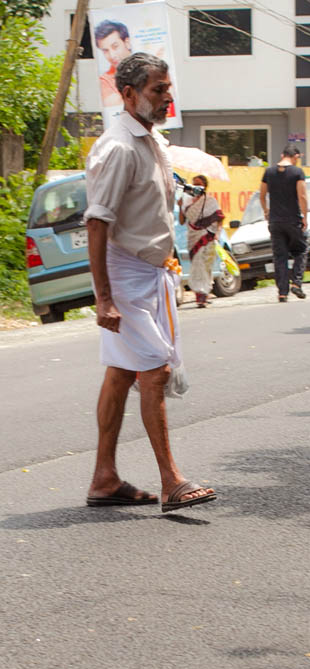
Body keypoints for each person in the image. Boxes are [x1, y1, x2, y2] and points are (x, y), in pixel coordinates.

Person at [83, 52, 216, 514]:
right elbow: (97, 224)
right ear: (128, 94)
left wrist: (191, 210)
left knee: (121, 374)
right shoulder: (117, 146)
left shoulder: (151, 142)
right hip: (126, 277)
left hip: (151, 272)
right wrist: (104, 299)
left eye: (167, 87)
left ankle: (104, 478)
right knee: (155, 369)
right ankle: (171, 481)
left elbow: (146, 208)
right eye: (158, 89)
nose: (167, 96)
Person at [259, 145, 308, 302]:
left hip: (275, 221)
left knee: (280, 256)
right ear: (295, 157)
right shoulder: (297, 172)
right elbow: (302, 196)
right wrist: (305, 216)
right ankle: (297, 283)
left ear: (282, 155)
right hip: (293, 219)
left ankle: (282, 292)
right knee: (301, 250)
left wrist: (266, 211)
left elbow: (261, 195)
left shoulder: (269, 172)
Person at [179, 174, 224, 308]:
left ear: (205, 186)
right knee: (197, 266)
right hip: (193, 238)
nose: (196, 186)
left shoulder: (211, 201)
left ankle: (203, 293)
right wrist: (181, 207)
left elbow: (219, 218)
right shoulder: (187, 202)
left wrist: (217, 233)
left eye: (199, 184)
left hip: (207, 237)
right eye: (194, 184)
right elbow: (182, 221)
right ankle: (200, 294)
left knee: (205, 266)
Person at [94, 20, 132, 108]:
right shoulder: (105, 80)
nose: (112, 55)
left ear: (127, 43)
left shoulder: (148, 67)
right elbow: (113, 106)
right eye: (105, 51)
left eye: (115, 47)